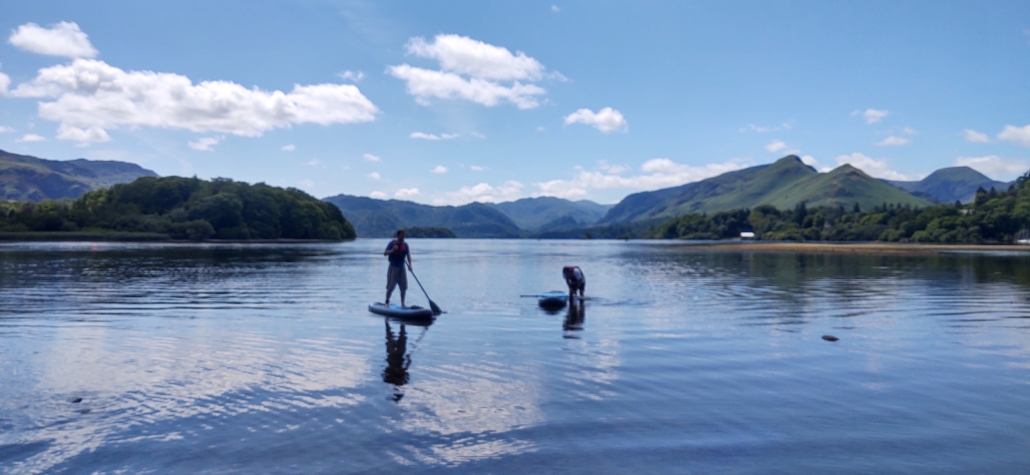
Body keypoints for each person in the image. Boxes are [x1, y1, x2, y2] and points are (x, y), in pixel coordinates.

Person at [384, 229, 413, 307]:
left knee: (404, 287)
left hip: (402, 268)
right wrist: (393, 250)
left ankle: (403, 303)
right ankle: (387, 302)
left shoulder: (405, 245)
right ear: (398, 236)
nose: (403, 237)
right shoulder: (392, 243)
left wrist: (410, 265)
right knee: (390, 287)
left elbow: (408, 256)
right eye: (401, 236)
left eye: (404, 236)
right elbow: (385, 253)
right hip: (393, 267)